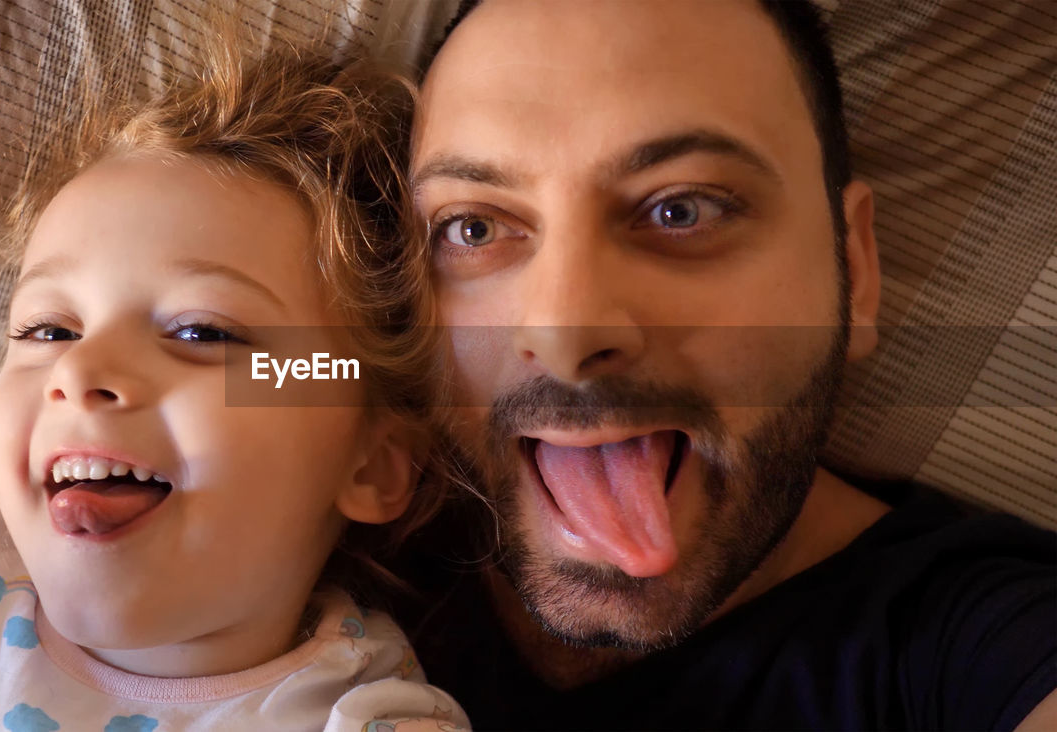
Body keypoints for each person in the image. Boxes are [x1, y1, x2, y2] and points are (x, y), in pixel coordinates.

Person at [0, 27, 469, 732]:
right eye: (49, 331)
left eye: (202, 333)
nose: (79, 371)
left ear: (373, 464)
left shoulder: (364, 720)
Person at [397, 0, 1057, 729]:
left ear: (855, 270)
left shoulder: (987, 641)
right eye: (473, 227)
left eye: (683, 209)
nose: (566, 334)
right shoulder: (329, 527)